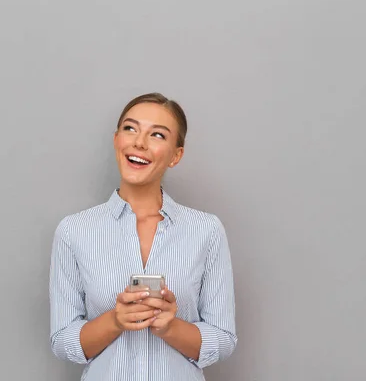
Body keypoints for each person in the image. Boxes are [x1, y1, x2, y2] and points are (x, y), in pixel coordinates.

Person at [49, 92, 237, 381]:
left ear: (176, 155)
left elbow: (223, 339)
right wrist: (115, 320)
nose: (139, 142)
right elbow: (62, 340)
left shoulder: (206, 231)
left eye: (157, 135)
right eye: (130, 128)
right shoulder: (74, 231)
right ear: (116, 140)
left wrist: (171, 327)